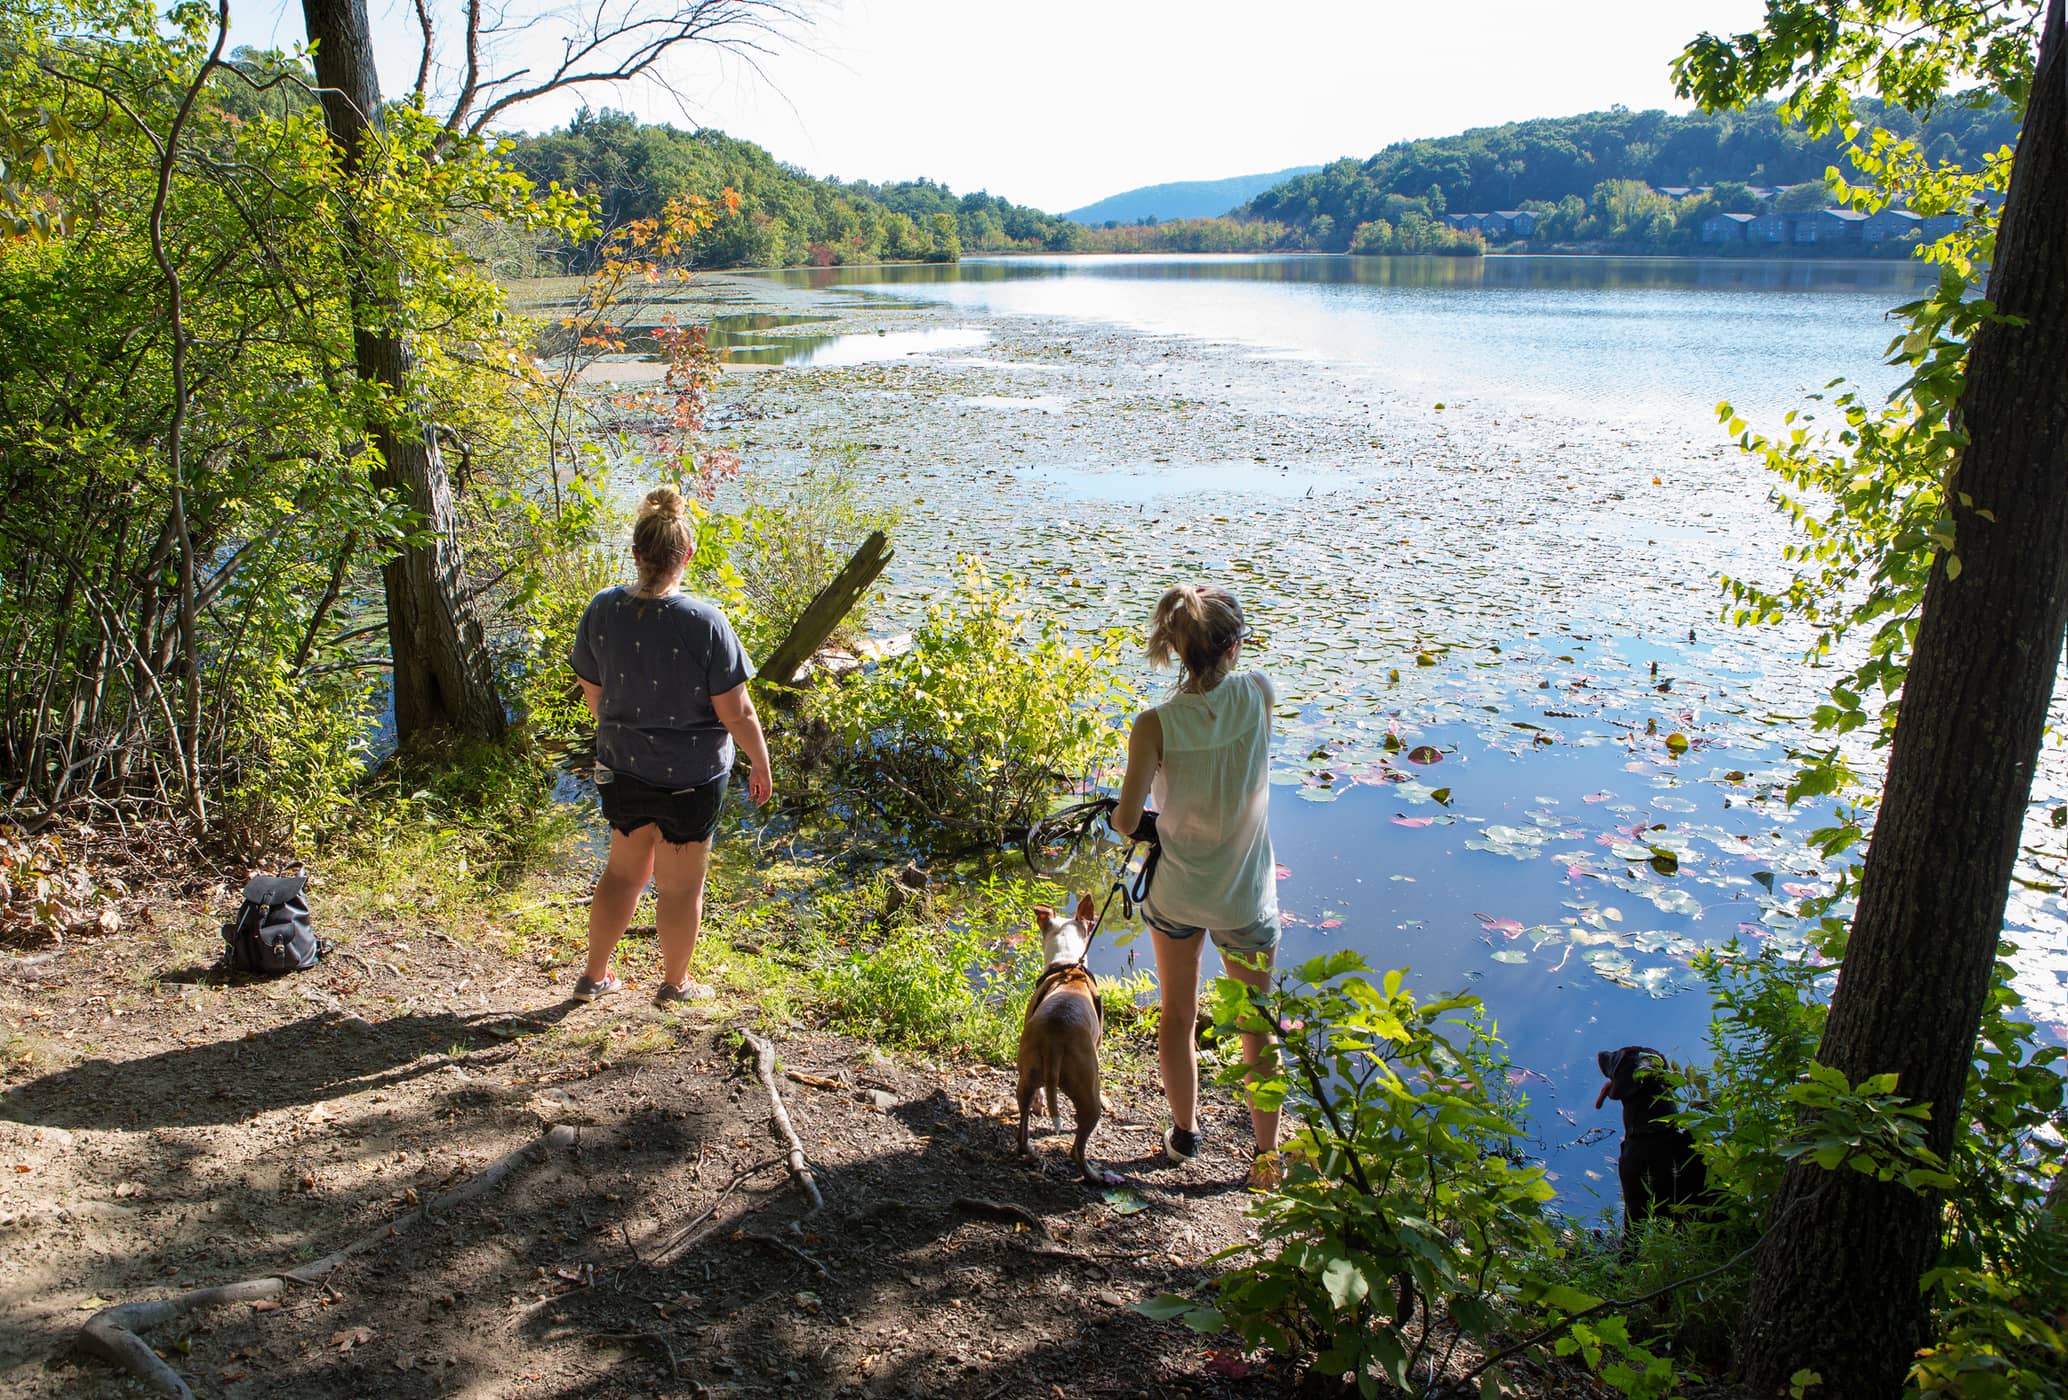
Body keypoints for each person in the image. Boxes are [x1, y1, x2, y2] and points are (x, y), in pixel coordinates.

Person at [566, 487, 773, 1005]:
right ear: (688, 555)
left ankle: (594, 977)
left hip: (622, 770)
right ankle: (675, 985)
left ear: (636, 553)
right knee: (680, 889)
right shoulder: (706, 622)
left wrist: (625, 732)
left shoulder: (603, 608)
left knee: (621, 872)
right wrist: (761, 763)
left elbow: (594, 692)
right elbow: (737, 712)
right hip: (692, 779)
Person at [1110, 583, 1282, 1185]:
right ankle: (1266, 1158)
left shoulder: (1153, 724)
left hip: (1177, 894)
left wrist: (1134, 813)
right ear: (1234, 646)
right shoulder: (1259, 693)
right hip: (1245, 896)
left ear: (1178, 650)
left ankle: (1184, 1138)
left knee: (1177, 1013)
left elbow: (1128, 824)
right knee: (1256, 1025)